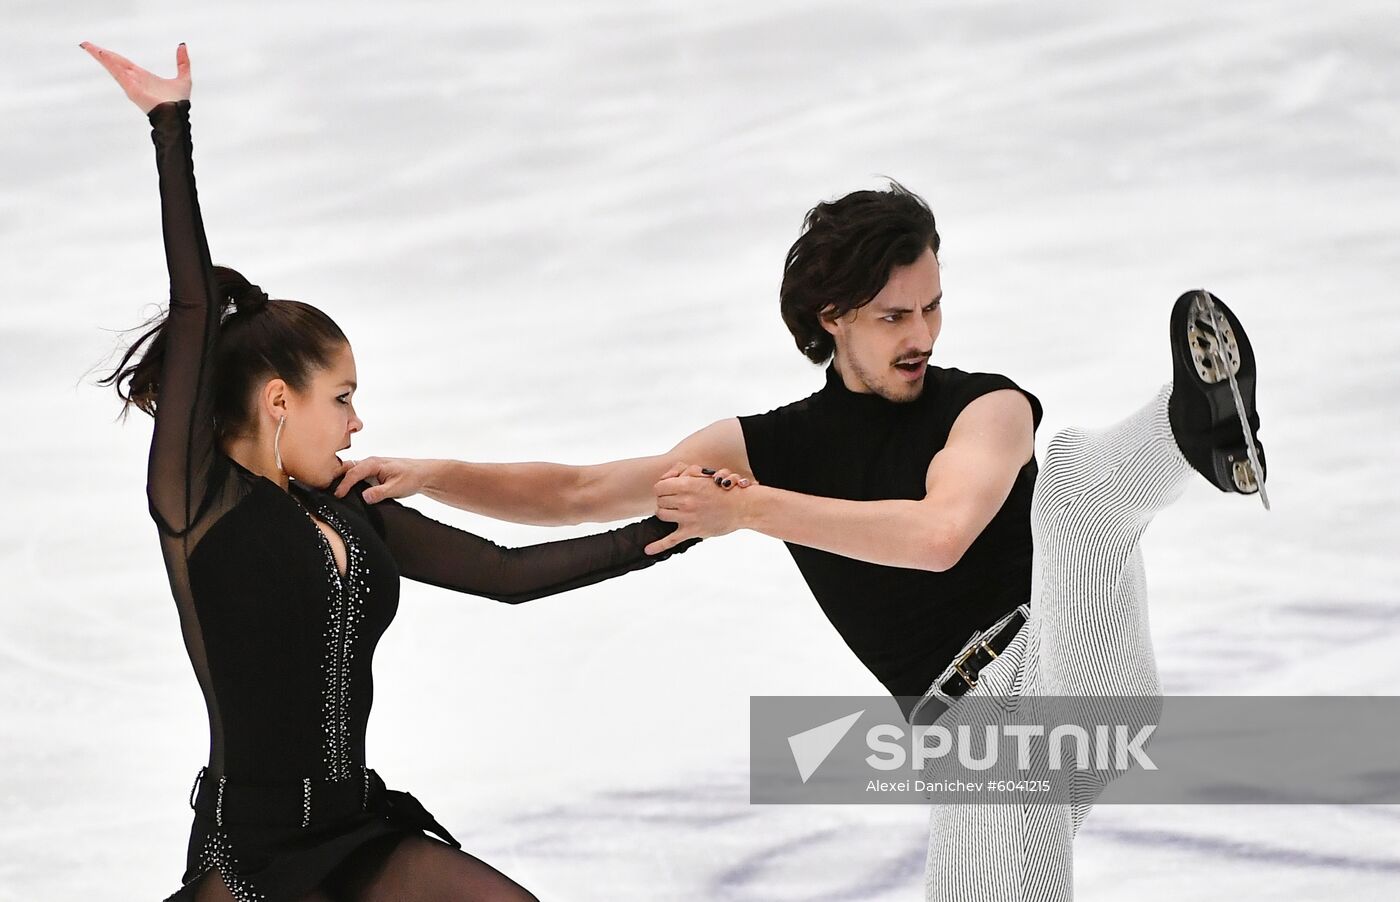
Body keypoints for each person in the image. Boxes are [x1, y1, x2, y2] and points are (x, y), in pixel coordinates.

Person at [339, 182, 1267, 899]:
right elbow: (583, 490)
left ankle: (1193, 428)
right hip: (972, 743)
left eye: (932, 307)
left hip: (1067, 666)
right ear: (833, 320)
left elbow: (939, 536)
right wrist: (438, 474)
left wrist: (751, 510)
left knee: (1071, 477)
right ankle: (1199, 430)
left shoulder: (986, 405)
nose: (923, 335)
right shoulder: (767, 445)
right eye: (894, 316)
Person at [82, 42, 700, 902]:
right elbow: (193, 305)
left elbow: (506, 576)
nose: (358, 420)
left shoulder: (347, 506)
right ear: (277, 401)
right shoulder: (197, 505)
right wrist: (170, 124)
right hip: (248, 857)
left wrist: (668, 531)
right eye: (342, 396)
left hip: (356, 830)